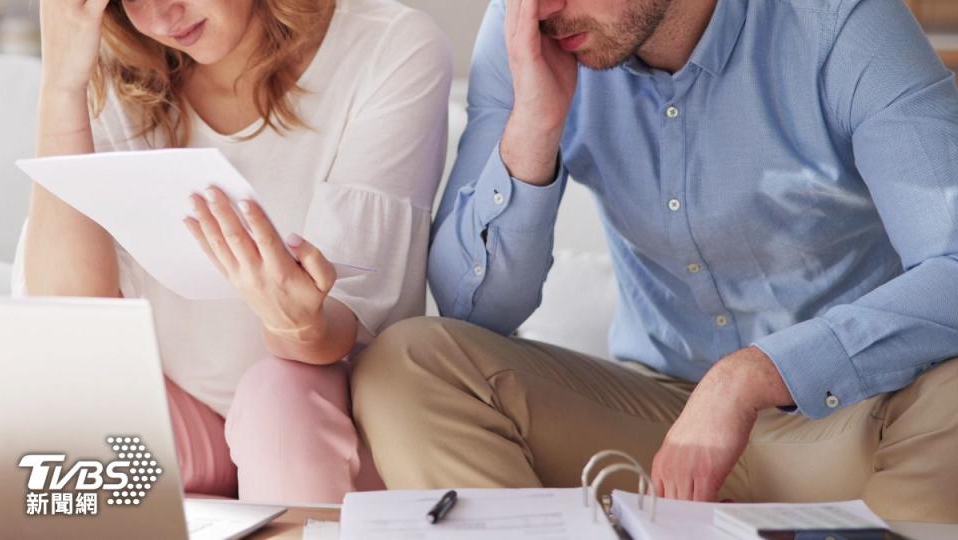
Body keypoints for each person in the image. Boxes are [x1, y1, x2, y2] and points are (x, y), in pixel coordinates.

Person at [351, 0, 958, 522]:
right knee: (404, 365)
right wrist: (535, 123)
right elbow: (469, 312)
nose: (539, 4)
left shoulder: (839, 23)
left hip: (855, 421)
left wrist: (747, 378)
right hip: (652, 432)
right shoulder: (528, 31)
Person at [15, 0, 451, 504]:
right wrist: (63, 86)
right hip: (188, 418)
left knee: (279, 402)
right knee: (49, 417)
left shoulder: (388, 47)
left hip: (324, 412)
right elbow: (70, 315)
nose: (162, 17)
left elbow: (340, 329)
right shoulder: (116, 67)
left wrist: (296, 323)